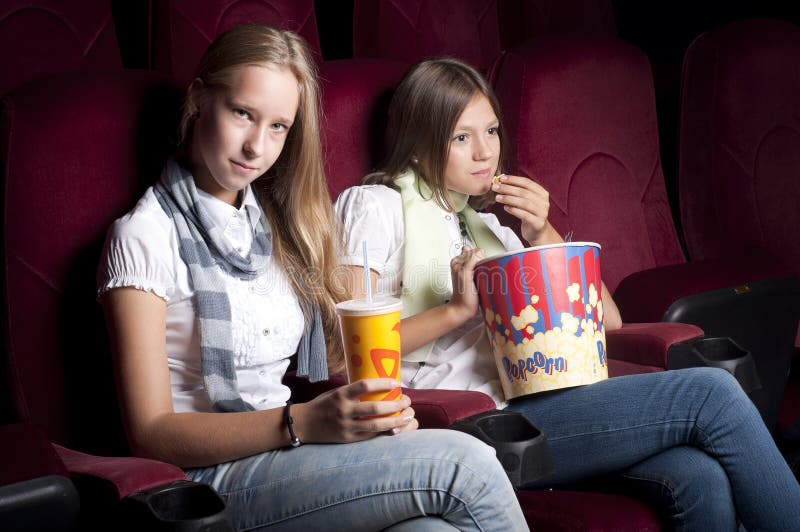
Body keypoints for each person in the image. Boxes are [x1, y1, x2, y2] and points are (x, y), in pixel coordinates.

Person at [335, 57, 800, 531]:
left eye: (491, 131)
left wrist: (541, 231)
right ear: (416, 147)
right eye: (461, 137)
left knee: (699, 477)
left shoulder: (494, 229)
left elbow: (606, 320)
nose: (484, 153)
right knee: (712, 392)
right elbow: (341, 357)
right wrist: (456, 312)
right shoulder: (375, 207)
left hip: (535, 402)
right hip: (467, 424)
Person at [98, 26, 528, 532]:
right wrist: (301, 422)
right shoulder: (143, 235)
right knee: (466, 463)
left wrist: (372, 419)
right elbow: (150, 434)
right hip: (210, 480)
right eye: (243, 113)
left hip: (292, 451)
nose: (257, 145)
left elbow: (332, 357)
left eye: (279, 126)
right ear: (198, 100)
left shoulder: (279, 228)